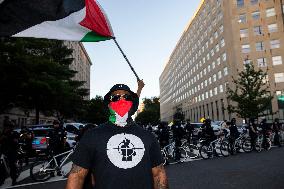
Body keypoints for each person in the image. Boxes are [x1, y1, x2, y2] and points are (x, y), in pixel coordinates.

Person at [65, 81, 168, 189]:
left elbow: (159, 174)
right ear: (109, 104)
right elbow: (77, 176)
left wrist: (139, 89)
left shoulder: (148, 137)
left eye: (127, 97)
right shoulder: (92, 136)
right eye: (115, 97)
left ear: (132, 103)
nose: (122, 100)